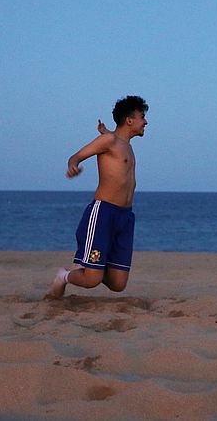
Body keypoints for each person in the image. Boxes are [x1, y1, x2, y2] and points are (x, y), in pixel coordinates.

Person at [44, 96, 149, 300]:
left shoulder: (124, 144)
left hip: (125, 217)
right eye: (142, 117)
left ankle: (91, 267)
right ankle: (63, 276)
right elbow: (76, 156)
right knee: (92, 280)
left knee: (118, 284)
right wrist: (73, 165)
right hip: (103, 214)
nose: (145, 121)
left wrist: (108, 132)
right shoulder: (109, 141)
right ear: (129, 120)